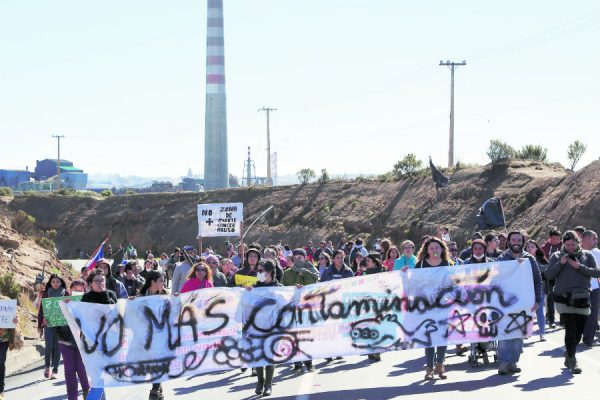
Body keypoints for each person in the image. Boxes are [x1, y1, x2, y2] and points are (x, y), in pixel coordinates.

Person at [545, 230, 600, 374]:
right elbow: (548, 275)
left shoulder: (587, 255)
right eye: (567, 244)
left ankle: (569, 352)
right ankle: (572, 359)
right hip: (563, 299)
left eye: (573, 244)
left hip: (582, 298)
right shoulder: (556, 256)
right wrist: (560, 264)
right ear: (563, 244)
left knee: (579, 331)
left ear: (578, 243)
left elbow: (597, 272)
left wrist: (579, 267)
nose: (570, 247)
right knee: (570, 328)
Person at [496, 230, 542, 376]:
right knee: (505, 333)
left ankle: (513, 362)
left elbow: (537, 280)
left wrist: (537, 300)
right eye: (513, 240)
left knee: (518, 333)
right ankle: (503, 362)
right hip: (505, 303)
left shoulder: (530, 259)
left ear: (523, 242)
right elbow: (496, 279)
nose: (516, 242)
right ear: (508, 242)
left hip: (525, 303)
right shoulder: (502, 259)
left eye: (519, 240)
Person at [415, 237, 452, 379]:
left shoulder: (448, 264)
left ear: (442, 249)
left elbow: (452, 284)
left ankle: (440, 365)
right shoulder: (421, 265)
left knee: (442, 336)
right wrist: (405, 273)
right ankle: (429, 368)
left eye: (437, 247)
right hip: (426, 306)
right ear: (427, 250)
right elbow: (414, 283)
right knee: (429, 336)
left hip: (443, 306)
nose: (435, 250)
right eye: (431, 248)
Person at [282, 248, 320, 372]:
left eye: (300, 258)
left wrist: (304, 275)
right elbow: (283, 290)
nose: (298, 260)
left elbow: (313, 286)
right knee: (294, 336)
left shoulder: (311, 271)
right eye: (296, 258)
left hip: (306, 309)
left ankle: (308, 362)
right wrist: (294, 288)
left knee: (305, 336)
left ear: (305, 258)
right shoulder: (287, 273)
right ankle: (297, 362)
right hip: (292, 309)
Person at [247, 260, 281, 396]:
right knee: (258, 356)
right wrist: (247, 293)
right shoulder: (254, 288)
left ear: (270, 272)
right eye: (257, 271)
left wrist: (296, 290)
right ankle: (260, 381)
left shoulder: (279, 288)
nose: (258, 273)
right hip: (256, 327)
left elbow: (288, 303)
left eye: (261, 271)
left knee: (270, 356)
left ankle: (268, 384)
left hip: (273, 328)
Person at [56, 280, 90, 400]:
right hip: (65, 341)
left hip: (82, 342)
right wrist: (47, 321)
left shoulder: (88, 303)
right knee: (69, 371)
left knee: (82, 369)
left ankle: (87, 391)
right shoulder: (60, 303)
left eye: (81, 291)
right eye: (75, 290)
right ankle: (72, 397)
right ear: (70, 290)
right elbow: (54, 320)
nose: (78, 293)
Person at [140, 270, 168, 399]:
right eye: (161, 280)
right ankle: (159, 392)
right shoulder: (140, 297)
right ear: (153, 282)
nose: (164, 283)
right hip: (145, 336)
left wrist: (177, 300)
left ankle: (155, 391)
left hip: (161, 336)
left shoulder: (165, 296)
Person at [37, 273, 67, 379]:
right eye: (53, 282)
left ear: (61, 282)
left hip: (61, 325)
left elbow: (70, 307)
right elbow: (41, 309)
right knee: (48, 346)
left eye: (57, 281)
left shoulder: (65, 293)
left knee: (58, 347)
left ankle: (55, 370)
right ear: (50, 282)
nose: (55, 284)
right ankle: (47, 367)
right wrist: (40, 323)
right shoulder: (46, 293)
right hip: (48, 323)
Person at [364, 253, 387, 362]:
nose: (366, 262)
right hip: (367, 302)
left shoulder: (382, 272)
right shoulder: (364, 273)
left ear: (374, 261)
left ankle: (376, 349)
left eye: (368, 260)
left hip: (380, 301)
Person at [526, 240, 549, 341]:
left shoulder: (542, 260)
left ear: (536, 248)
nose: (530, 248)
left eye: (532, 246)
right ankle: (526, 331)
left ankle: (542, 333)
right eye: (528, 247)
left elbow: (546, 269)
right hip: (526, 288)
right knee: (526, 310)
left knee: (539, 310)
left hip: (539, 288)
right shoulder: (522, 259)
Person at [0, 296, 22, 400]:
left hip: (3, 339)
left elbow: (15, 317)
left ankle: (0, 390)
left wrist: (15, 320)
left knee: (0, 362)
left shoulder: (6, 302)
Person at [581, 230, 600, 346]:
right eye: (594, 238)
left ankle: (588, 339)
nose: (596, 241)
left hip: (595, 288)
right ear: (586, 239)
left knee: (593, 314)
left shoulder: (598, 253)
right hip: (579, 288)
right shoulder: (577, 251)